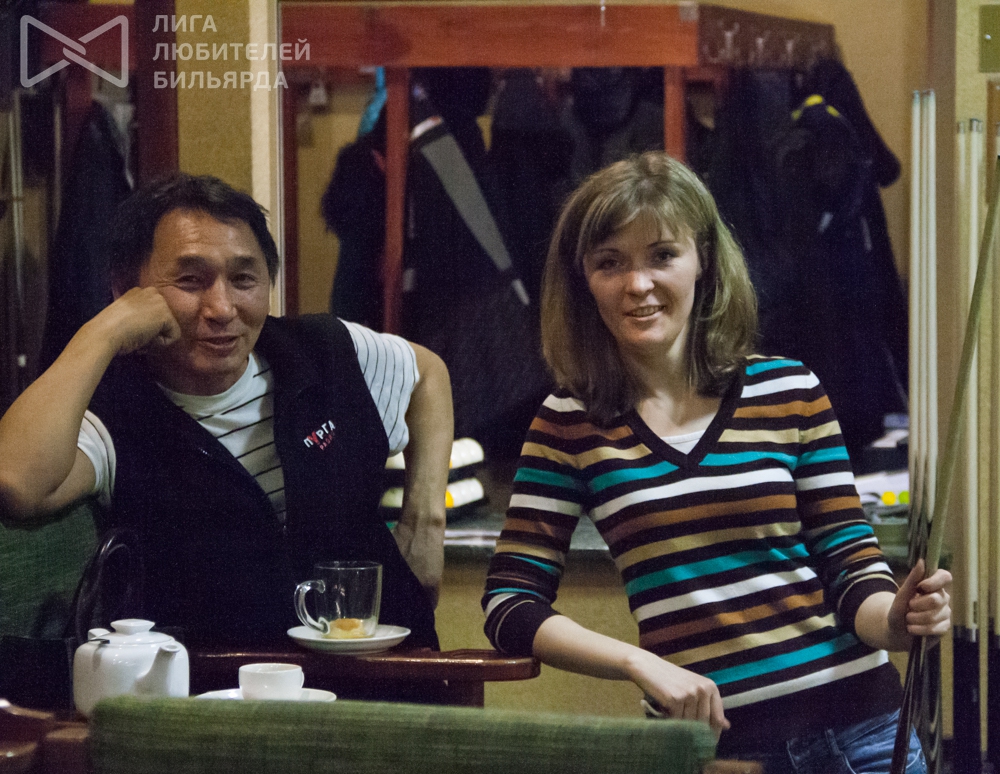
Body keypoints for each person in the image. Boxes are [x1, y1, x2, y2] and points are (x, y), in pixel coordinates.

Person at [482, 152, 951, 773]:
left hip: (860, 735)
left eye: (662, 255)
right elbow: (510, 603)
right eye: (609, 263)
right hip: (714, 754)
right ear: (582, 279)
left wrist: (895, 621)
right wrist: (637, 662)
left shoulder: (789, 389)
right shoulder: (567, 421)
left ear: (702, 259)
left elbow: (849, 564)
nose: (638, 284)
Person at [0, 173, 453, 650]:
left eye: (243, 279)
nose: (221, 308)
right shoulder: (116, 414)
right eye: (190, 281)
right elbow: (16, 480)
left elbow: (428, 374)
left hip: (392, 667)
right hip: (228, 687)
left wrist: (424, 523)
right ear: (126, 290)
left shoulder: (326, 352)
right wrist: (104, 331)